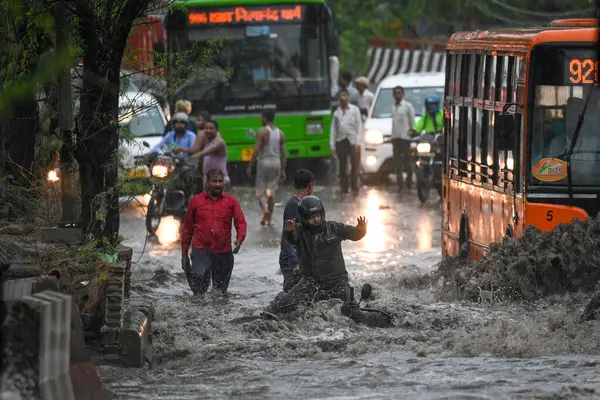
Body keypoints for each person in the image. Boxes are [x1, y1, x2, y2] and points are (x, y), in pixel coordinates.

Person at [265, 195, 367, 314]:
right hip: (310, 282)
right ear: (303, 217)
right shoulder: (299, 231)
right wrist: (289, 231)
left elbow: (354, 234)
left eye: (318, 215)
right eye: (312, 217)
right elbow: (291, 238)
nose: (316, 220)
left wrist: (361, 229)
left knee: (351, 310)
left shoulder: (333, 227)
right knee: (283, 306)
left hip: (337, 282)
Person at [181, 168, 247, 296]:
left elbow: (240, 222)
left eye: (220, 181)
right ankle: (200, 315)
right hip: (201, 250)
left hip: (224, 252)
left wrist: (239, 239)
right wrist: (184, 255)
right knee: (199, 292)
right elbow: (187, 228)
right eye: (214, 181)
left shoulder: (231, 201)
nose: (218, 184)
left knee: (220, 294)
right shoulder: (196, 201)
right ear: (207, 182)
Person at [246, 109, 287, 226]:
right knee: (271, 191)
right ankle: (269, 219)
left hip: (264, 162)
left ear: (264, 118)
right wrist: (283, 170)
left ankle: (265, 210)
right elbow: (284, 154)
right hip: (276, 162)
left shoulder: (262, 132)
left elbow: (257, 150)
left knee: (260, 190)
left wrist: (250, 165)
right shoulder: (280, 133)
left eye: (261, 117)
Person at [279, 169, 315, 293]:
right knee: (291, 295)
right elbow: (288, 238)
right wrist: (295, 264)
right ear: (310, 186)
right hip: (291, 261)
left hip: (299, 259)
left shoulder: (302, 205)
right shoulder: (294, 205)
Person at [174, 119, 231, 193]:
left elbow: (208, 150)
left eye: (211, 128)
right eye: (206, 128)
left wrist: (196, 156)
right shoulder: (208, 140)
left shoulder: (219, 141)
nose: (208, 130)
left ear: (216, 130)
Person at [331, 89, 363, 195]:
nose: (342, 98)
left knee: (355, 165)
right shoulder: (336, 113)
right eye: (340, 96)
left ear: (348, 97)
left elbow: (359, 126)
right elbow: (333, 130)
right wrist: (332, 145)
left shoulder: (355, 110)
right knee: (342, 166)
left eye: (344, 95)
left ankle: (355, 187)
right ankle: (344, 188)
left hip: (353, 140)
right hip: (341, 140)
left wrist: (358, 142)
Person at [391, 86, 416, 190]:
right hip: (395, 138)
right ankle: (399, 184)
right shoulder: (393, 107)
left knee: (407, 161)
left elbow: (412, 122)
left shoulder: (407, 106)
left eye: (399, 93)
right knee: (397, 162)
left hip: (405, 138)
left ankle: (409, 183)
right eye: (395, 93)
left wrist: (411, 133)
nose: (397, 95)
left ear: (403, 94)